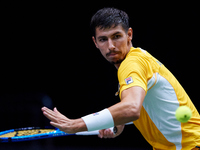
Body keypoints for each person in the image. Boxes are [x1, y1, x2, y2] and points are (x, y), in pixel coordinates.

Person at [41, 8, 200, 150]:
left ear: (129, 35)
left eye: (116, 36)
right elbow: (145, 107)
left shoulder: (132, 64)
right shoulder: (138, 59)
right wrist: (118, 122)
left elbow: (131, 108)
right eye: (103, 39)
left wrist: (75, 124)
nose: (111, 46)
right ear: (95, 42)